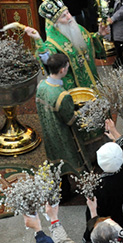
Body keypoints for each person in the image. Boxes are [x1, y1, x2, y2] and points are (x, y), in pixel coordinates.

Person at [35, 53, 91, 196]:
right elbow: (70, 120)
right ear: (62, 70)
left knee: (57, 165)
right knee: (73, 160)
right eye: (67, 66)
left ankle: (64, 191)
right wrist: (84, 109)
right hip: (63, 135)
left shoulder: (41, 85)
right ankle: (88, 190)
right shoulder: (62, 95)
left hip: (48, 133)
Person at [25, 0, 107, 90]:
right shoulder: (53, 43)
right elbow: (48, 59)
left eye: (68, 12)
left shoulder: (77, 27)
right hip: (73, 87)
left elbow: (89, 41)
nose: (69, 17)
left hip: (92, 76)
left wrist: (100, 34)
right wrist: (38, 39)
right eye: (63, 16)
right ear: (56, 23)